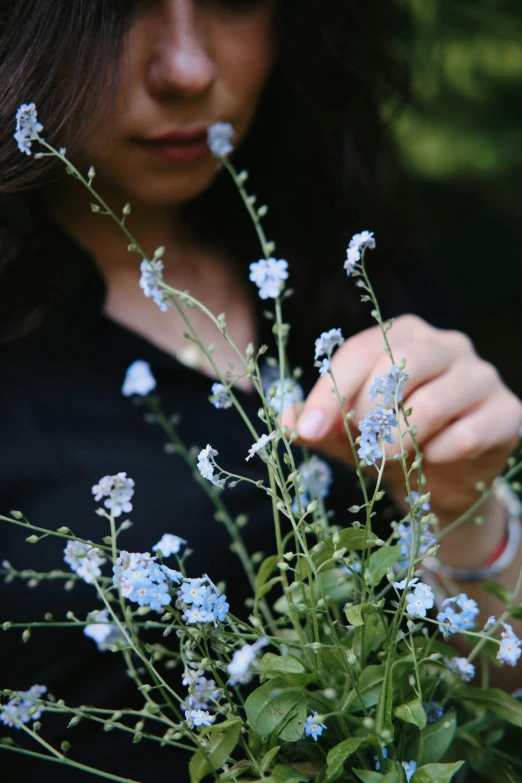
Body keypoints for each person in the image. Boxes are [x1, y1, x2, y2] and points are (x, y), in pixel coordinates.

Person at [0, 1, 521, 780]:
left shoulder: (361, 276)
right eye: (117, 9)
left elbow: (495, 696)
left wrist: (469, 515)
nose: (187, 70)